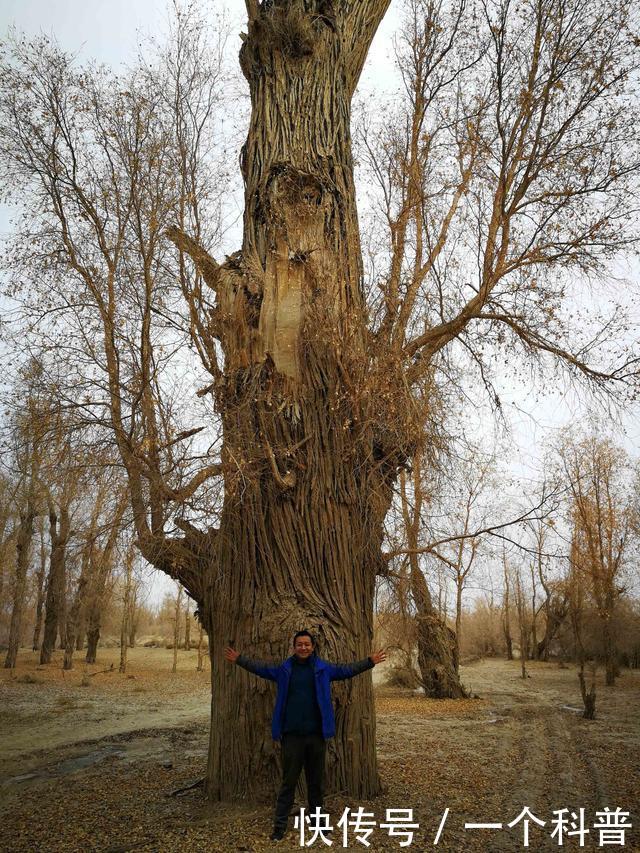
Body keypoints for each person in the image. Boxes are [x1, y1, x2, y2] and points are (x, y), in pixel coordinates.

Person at [224, 631, 386, 842]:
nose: (303, 647)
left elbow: (346, 670)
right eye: (299, 644)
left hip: (316, 736)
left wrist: (369, 662)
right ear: (293, 647)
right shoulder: (284, 670)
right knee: (288, 783)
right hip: (291, 737)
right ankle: (279, 826)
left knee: (315, 783)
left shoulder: (323, 669)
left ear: (312, 647)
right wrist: (240, 660)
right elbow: (261, 669)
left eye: (307, 644)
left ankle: (318, 824)